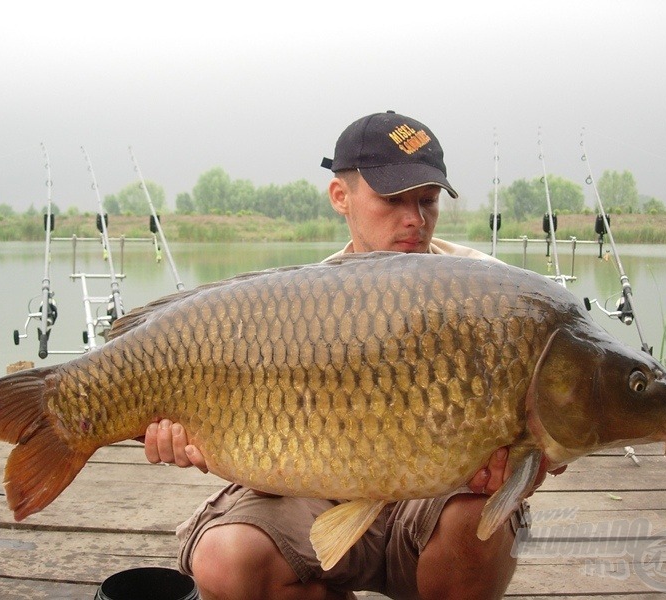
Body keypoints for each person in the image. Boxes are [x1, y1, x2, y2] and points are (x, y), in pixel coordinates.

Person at [144, 111, 563, 599]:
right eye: (393, 200)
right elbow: (271, 459)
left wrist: (534, 461)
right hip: (322, 500)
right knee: (226, 559)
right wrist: (199, 441)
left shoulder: (495, 294)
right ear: (341, 197)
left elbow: (559, 416)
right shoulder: (301, 305)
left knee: (479, 523)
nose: (415, 219)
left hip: (437, 503)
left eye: (427, 201)